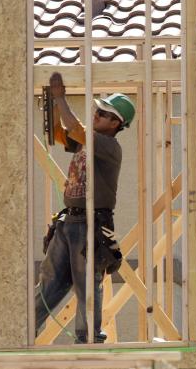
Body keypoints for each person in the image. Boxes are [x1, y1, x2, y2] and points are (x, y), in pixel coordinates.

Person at [34, 71, 135, 344]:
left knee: (87, 283)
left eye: (103, 114)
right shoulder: (86, 142)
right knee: (50, 281)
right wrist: (52, 107)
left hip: (90, 223)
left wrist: (61, 98)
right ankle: (24, 329)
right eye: (98, 111)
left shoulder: (109, 147)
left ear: (116, 123)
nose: (97, 115)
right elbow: (59, 132)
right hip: (69, 221)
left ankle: (88, 338)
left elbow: (76, 129)